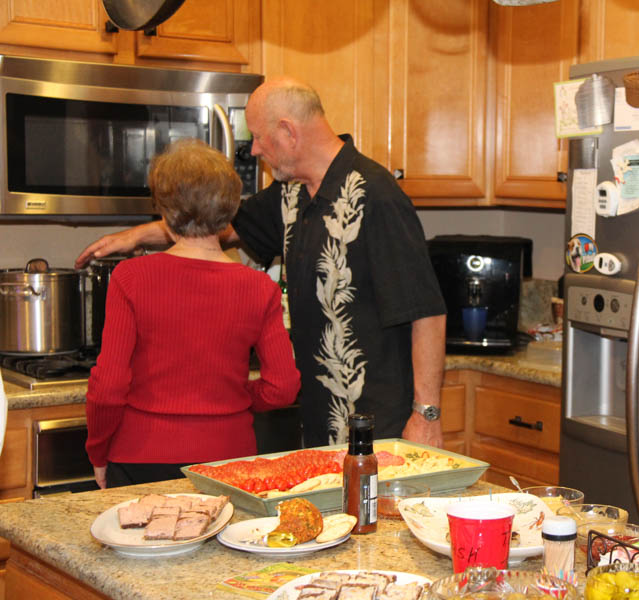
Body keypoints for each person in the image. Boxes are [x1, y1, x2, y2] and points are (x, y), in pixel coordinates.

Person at [76, 78, 447, 450]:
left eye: (257, 136)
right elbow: (207, 221)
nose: (253, 150)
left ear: (287, 131)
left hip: (378, 425)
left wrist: (426, 413)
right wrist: (137, 236)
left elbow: (426, 312)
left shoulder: (376, 195)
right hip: (320, 420)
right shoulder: (291, 194)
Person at [85, 139, 301, 488]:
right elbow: (283, 388)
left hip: (141, 455)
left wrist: (97, 451)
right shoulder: (260, 288)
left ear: (165, 212)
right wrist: (232, 399)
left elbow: (108, 387)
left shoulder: (130, 278)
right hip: (228, 458)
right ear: (230, 212)